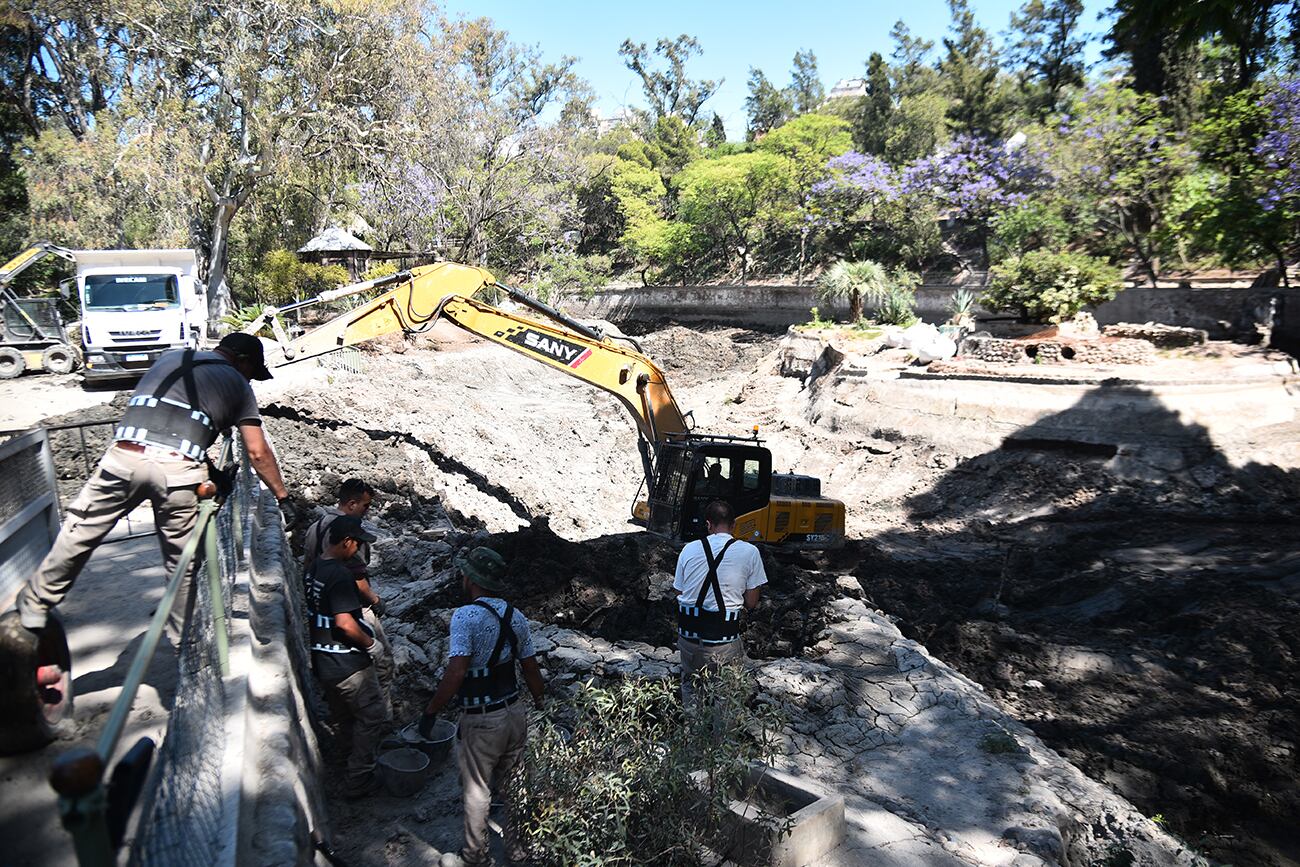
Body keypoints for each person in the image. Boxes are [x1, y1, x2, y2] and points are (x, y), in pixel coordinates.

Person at [15, 333, 291, 644]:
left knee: (80, 530)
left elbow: (167, 419)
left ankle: (36, 603)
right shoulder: (237, 384)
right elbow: (257, 451)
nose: (250, 381)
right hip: (177, 471)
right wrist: (283, 497)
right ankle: (184, 644)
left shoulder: (172, 358)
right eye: (251, 374)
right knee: (182, 563)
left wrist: (210, 467)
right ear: (243, 361)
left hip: (123, 456)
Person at [418, 547, 545, 867]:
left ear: (471, 579)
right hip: (515, 713)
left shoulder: (465, 616)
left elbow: (457, 671)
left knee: (477, 791)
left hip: (482, 717)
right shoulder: (515, 616)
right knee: (514, 785)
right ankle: (518, 851)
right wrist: (541, 705)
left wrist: (432, 710)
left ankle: (476, 857)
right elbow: (530, 669)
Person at [305, 515, 392, 797]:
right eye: (356, 545)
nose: (357, 551)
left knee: (344, 717)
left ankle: (345, 759)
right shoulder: (340, 576)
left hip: (323, 660)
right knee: (373, 715)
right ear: (346, 542)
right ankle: (359, 777)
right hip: (347, 662)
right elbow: (344, 623)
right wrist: (370, 645)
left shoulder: (314, 569)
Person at [674, 499, 768, 710]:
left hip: (689, 637)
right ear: (734, 525)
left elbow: (680, 591)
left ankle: (691, 738)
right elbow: (752, 603)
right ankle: (719, 741)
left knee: (691, 690)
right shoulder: (750, 552)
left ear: (708, 524)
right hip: (722, 642)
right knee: (725, 698)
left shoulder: (688, 549)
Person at [302, 478, 392, 686]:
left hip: (321, 609)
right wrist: (376, 601)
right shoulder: (349, 535)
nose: (366, 511)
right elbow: (358, 577)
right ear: (352, 504)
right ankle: (383, 708)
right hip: (350, 607)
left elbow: (307, 567)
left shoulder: (315, 527)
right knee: (382, 662)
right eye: (365, 506)